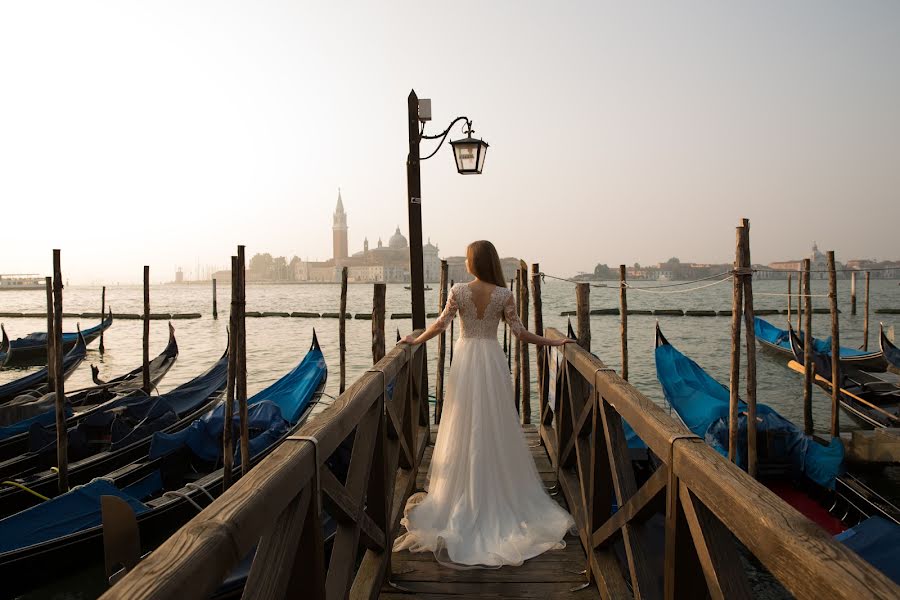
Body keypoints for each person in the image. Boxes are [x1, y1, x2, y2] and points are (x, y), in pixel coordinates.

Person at [393, 240, 575, 568]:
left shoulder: (458, 291)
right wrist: (553, 341)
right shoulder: (504, 295)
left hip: (465, 360)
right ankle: (493, 484)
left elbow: (440, 325)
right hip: (491, 359)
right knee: (493, 422)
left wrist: (415, 340)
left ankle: (461, 488)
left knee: (461, 422)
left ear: (472, 262)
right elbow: (521, 334)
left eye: (467, 257)